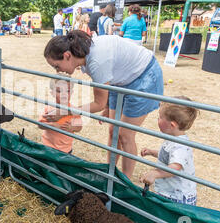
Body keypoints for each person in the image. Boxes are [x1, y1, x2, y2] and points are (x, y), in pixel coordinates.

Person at [43, 30, 164, 178]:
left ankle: (125, 181)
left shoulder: (96, 61)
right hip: (120, 80)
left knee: (125, 134)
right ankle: (110, 171)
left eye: (56, 66)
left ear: (67, 56)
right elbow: (107, 80)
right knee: (113, 130)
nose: (58, 70)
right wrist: (107, 105)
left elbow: (98, 103)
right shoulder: (85, 55)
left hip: (143, 76)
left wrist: (65, 112)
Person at [139, 96, 198, 205]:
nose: (158, 119)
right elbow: (169, 157)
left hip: (178, 198)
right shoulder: (172, 138)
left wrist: (155, 174)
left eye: (160, 117)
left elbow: (175, 168)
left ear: (172, 125)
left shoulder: (180, 146)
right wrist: (152, 152)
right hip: (168, 192)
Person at [38, 75, 82, 154]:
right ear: (52, 93)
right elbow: (40, 125)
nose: (64, 94)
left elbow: (79, 127)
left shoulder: (73, 110)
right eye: (59, 91)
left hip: (65, 149)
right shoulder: (49, 108)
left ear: (71, 92)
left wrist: (72, 127)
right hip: (48, 147)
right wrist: (52, 126)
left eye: (67, 91)